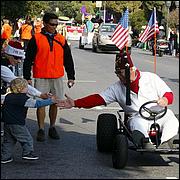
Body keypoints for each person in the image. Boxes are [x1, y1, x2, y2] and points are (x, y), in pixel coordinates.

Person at [56, 52, 179, 149]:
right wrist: (76, 103)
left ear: (132, 69)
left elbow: (168, 93)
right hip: (137, 116)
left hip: (160, 113)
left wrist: (164, 99)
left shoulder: (151, 78)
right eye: (117, 74)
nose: (120, 77)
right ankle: (144, 142)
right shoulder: (117, 88)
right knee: (137, 124)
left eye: (122, 73)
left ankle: (167, 140)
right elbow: (99, 98)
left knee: (172, 120)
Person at [23, 12, 75, 142]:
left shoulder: (61, 39)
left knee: (55, 102)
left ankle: (52, 127)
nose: (54, 27)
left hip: (57, 76)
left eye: (56, 24)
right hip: (41, 76)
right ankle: (41, 129)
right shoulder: (36, 38)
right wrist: (27, 76)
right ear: (45, 24)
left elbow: (68, 59)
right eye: (52, 24)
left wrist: (71, 76)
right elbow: (28, 59)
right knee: (41, 103)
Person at [1, 78, 57, 164]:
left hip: (7, 123)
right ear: (21, 88)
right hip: (18, 123)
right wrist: (50, 101)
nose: (28, 89)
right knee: (27, 139)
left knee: (8, 141)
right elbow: (37, 104)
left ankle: (5, 157)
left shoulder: (8, 96)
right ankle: (27, 153)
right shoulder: (23, 99)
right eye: (26, 87)